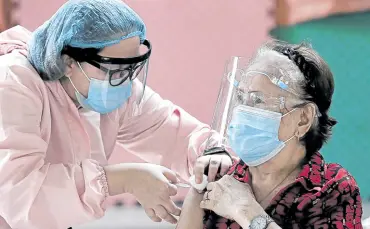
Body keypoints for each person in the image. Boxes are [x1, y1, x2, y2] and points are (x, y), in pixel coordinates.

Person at [0, 1, 232, 228]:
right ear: (68, 61)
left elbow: (170, 130)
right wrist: (124, 179)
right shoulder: (13, 83)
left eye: (132, 67)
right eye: (116, 69)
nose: (126, 80)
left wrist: (212, 153)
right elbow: (19, 195)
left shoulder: (113, 87)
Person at [176, 41, 363, 229]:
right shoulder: (222, 178)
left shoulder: (332, 188)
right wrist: (197, 188)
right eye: (241, 98)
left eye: (258, 100)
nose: (242, 110)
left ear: (303, 119)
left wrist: (246, 210)